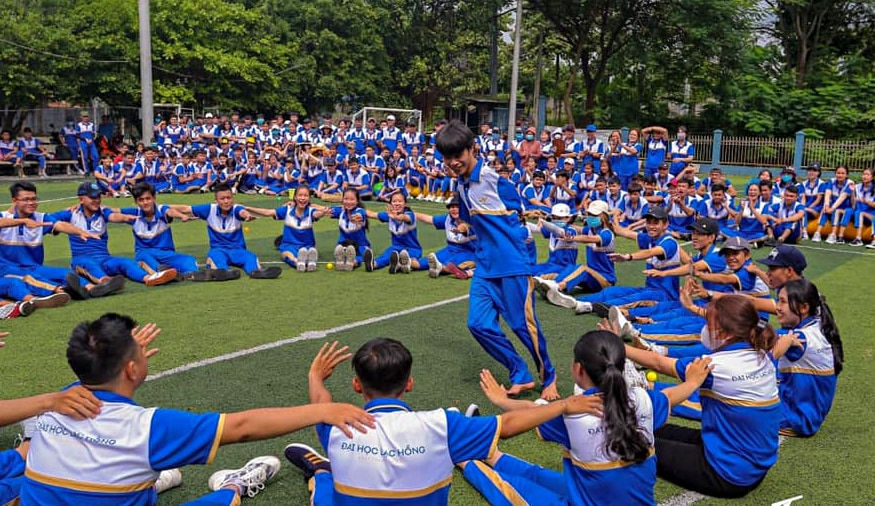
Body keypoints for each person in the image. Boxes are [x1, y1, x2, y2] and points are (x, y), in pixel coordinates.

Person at [19, 313, 375, 505]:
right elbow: (242, 426)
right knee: (223, 500)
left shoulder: (55, 405)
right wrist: (321, 411)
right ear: (130, 369)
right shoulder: (147, 428)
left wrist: (122, 353)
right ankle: (235, 485)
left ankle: (159, 482)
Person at [283, 338, 602, 505]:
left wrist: (315, 377)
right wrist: (563, 404)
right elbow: (510, 425)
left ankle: (321, 471)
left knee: (328, 494)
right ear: (409, 384)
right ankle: (321, 471)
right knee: (464, 444)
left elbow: (320, 404)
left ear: (356, 385)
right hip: (453, 435)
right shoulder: (441, 425)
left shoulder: (335, 426)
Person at [464, 331, 711, 506]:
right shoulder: (644, 399)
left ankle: (464, 456)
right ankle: (492, 456)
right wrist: (693, 382)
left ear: (579, 369)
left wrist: (502, 401)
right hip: (608, 496)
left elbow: (530, 413)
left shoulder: (574, 414)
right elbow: (671, 396)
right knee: (546, 478)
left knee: (512, 490)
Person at [436, 120, 559, 400]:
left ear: (472, 149)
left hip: (512, 265)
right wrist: (468, 227)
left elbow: (517, 213)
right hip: (484, 266)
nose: (453, 162)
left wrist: (513, 240)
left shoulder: (492, 179)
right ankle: (520, 373)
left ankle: (549, 376)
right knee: (478, 324)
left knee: (522, 326)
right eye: (448, 158)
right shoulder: (462, 183)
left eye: (458, 156)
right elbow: (472, 216)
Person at [618, 294, 781, 498]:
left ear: (724, 333)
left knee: (624, 442)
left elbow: (659, 363)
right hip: (750, 464)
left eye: (708, 322)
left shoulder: (716, 365)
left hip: (727, 475)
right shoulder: (762, 356)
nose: (704, 328)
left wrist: (618, 347)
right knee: (650, 427)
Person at [0, 182, 125, 302]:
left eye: (34, 199)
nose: (31, 203)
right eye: (26, 199)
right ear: (14, 201)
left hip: (34, 267)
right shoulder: (4, 216)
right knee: (33, 279)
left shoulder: (41, 217)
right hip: (7, 269)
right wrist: (23, 221)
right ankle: (62, 291)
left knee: (66, 274)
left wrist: (79, 232)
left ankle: (91, 289)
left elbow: (60, 224)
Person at [52, 182, 178, 288]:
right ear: (81, 199)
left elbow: (113, 216)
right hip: (81, 260)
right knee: (89, 264)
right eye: (92, 197)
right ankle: (105, 283)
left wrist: (126, 218)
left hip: (105, 259)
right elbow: (47, 220)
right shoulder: (70, 214)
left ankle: (149, 278)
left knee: (125, 262)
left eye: (98, 197)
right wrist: (59, 228)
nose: (96, 201)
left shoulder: (102, 212)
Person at [121, 182, 239, 282]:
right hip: (146, 253)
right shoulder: (133, 213)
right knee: (144, 257)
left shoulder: (161, 209)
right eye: (141, 200)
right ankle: (163, 273)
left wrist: (181, 216)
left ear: (154, 198)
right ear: (136, 202)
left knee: (188, 260)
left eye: (148, 198)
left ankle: (191, 274)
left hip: (167, 254)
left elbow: (171, 212)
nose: (145, 202)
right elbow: (112, 212)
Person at [772, 278, 842, 437]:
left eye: (783, 302)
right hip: (807, 412)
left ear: (804, 308)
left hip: (796, 418)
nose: (777, 307)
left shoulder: (800, 338)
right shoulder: (818, 324)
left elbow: (753, 335)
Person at [174, 184, 282, 279]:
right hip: (219, 250)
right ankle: (223, 272)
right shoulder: (209, 209)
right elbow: (186, 209)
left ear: (232, 198)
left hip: (238, 250)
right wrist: (162, 207)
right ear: (216, 201)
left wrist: (247, 216)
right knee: (216, 258)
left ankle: (257, 272)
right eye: (222, 199)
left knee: (250, 258)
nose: (226, 201)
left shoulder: (236, 208)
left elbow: (242, 212)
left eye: (229, 198)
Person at [245, 186, 331, 272]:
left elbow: (317, 214)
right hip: (289, 245)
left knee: (308, 251)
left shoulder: (311, 211)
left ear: (309, 198)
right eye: (300, 195)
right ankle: (297, 262)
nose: (302, 198)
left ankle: (310, 261)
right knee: (285, 253)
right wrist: (248, 208)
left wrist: (322, 212)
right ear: (295, 197)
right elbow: (268, 212)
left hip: (307, 245)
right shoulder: (287, 210)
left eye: (306, 196)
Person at [361, 193, 427, 274]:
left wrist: (396, 217)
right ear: (390, 204)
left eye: (400, 201)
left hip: (412, 248)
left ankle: (398, 264)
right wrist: (357, 210)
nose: (397, 203)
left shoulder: (410, 214)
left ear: (405, 203)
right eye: (394, 201)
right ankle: (372, 264)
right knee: (385, 257)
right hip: (396, 248)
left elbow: (405, 218)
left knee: (407, 258)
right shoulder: (389, 215)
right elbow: (372, 214)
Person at [416, 197, 477, 280]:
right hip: (450, 249)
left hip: (469, 251)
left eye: (457, 207)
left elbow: (465, 228)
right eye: (452, 207)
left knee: (449, 264)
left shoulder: (472, 220)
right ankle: (407, 263)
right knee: (422, 263)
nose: (454, 209)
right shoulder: (448, 219)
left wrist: (461, 230)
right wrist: (411, 214)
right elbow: (429, 219)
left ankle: (440, 268)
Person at [812, 165, 855, 244]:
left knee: (836, 210)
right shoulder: (831, 181)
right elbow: (827, 194)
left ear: (847, 175)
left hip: (846, 207)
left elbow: (842, 197)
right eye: (838, 173)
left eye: (843, 173)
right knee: (824, 208)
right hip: (833, 206)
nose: (840, 175)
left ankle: (833, 234)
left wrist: (832, 208)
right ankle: (817, 233)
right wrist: (827, 205)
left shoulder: (850, 183)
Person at [851, 167, 875, 247]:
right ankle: (858, 239)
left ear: (873, 177)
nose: (864, 176)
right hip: (861, 214)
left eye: (867, 175)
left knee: (861, 213)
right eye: (864, 174)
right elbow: (853, 204)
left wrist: (866, 201)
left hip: (872, 215)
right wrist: (852, 192)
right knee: (858, 212)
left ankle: (870, 240)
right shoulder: (857, 187)